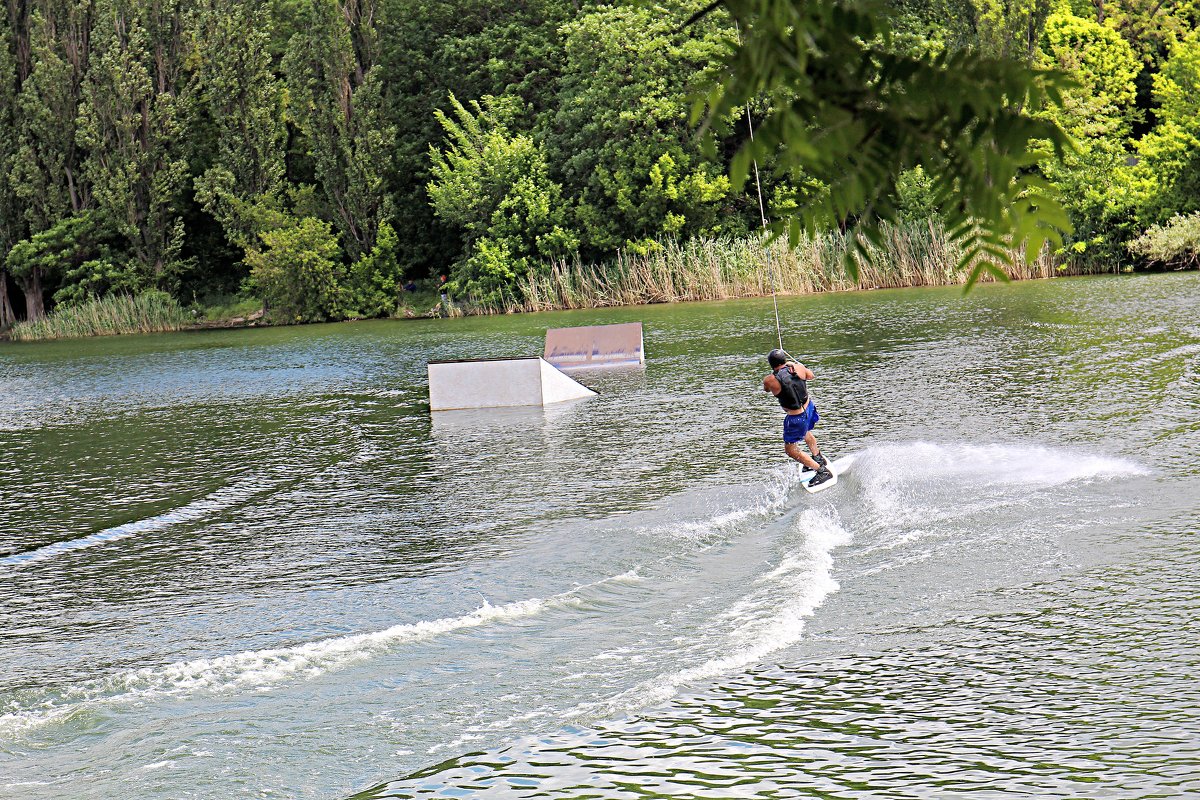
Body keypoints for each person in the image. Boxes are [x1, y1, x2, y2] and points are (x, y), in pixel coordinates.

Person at [762, 348, 834, 487]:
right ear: (784, 360)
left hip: (796, 418)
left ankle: (821, 471)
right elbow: (811, 375)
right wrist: (793, 364)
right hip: (809, 408)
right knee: (806, 432)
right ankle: (818, 458)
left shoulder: (770, 380)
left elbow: (766, 389)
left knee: (791, 450)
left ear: (771, 364)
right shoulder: (798, 368)